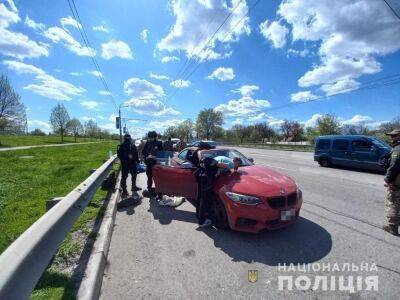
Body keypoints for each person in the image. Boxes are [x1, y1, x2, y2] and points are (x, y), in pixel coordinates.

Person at [383, 129, 400, 236]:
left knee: (393, 203)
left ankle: (392, 227)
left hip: (397, 182)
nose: (391, 138)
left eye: (394, 136)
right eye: (391, 136)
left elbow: (394, 166)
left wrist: (388, 179)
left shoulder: (398, 149)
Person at [142, 131, 163, 196]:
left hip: (156, 164)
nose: (150, 139)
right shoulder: (147, 143)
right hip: (149, 163)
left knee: (157, 178)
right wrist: (147, 156)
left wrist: (155, 157)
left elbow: (162, 153)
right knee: (149, 177)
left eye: (152, 138)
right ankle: (149, 190)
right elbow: (143, 152)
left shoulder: (159, 143)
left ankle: (159, 192)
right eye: (150, 138)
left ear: (155, 137)